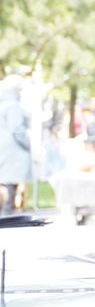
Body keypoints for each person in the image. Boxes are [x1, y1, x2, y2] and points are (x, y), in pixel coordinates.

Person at [0, 80, 30, 215]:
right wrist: (28, 145)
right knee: (10, 188)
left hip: (5, 151)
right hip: (13, 153)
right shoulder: (12, 107)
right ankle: (7, 218)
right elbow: (17, 129)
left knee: (6, 185)